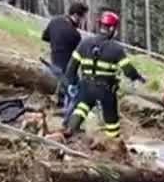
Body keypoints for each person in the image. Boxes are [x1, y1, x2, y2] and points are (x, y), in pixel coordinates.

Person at [61, 9, 145, 142]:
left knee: (82, 106)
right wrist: (138, 77)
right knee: (111, 118)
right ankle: (113, 143)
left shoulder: (84, 43)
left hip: (86, 86)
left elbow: (71, 68)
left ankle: (69, 129)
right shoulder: (116, 49)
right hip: (105, 90)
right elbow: (128, 71)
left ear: (100, 26)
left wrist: (71, 83)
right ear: (112, 29)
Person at [42, 2, 88, 120]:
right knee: (76, 90)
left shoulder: (55, 21)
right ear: (77, 16)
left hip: (53, 62)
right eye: (82, 18)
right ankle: (67, 113)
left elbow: (45, 37)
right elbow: (79, 56)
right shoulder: (75, 35)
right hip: (66, 68)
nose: (82, 22)